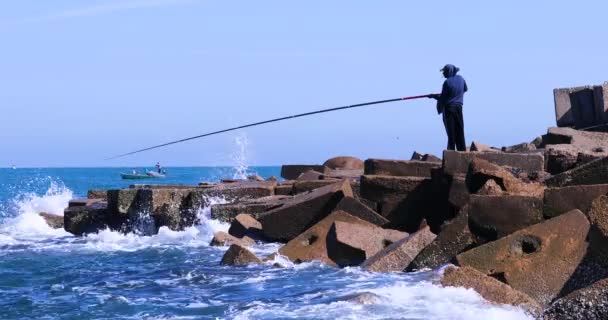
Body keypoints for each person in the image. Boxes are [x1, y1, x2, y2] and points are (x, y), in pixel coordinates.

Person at [429, 64, 468, 151]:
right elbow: (465, 89)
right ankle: (462, 152)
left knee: (451, 132)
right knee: (459, 130)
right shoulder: (461, 79)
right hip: (459, 108)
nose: (444, 74)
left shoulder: (447, 83)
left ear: (449, 72)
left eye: (445, 72)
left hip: (449, 109)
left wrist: (433, 96)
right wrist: (456, 95)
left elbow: (442, 98)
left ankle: (451, 153)